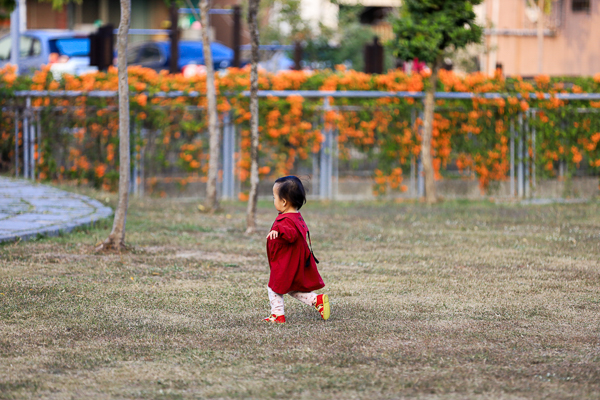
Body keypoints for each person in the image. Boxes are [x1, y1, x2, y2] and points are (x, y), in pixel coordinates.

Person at [264, 176, 330, 323]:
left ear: (284, 202)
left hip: (287, 262)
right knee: (290, 288)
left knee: (274, 287)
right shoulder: (295, 216)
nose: (273, 200)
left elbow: (291, 234)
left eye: (274, 197)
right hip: (294, 260)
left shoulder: (286, 221)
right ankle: (316, 300)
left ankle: (277, 315)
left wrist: (278, 230)